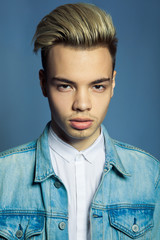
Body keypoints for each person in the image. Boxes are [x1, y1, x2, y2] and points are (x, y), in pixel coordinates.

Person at [0, 2, 159, 240]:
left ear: (113, 84)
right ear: (43, 83)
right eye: (65, 86)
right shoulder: (4, 176)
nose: (82, 104)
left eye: (97, 86)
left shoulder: (149, 174)